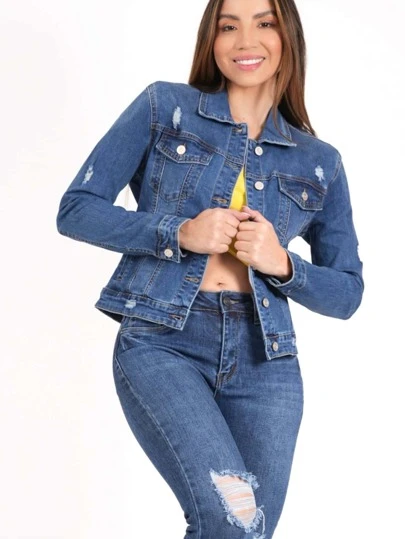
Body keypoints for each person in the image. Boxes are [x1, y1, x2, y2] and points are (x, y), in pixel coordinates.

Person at [56, 0, 364, 537]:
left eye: (264, 23)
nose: (246, 40)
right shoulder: (164, 107)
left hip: (266, 359)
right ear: (211, 39)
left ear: (288, 36)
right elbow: (77, 209)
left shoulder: (320, 162)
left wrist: (282, 263)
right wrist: (178, 232)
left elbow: (347, 293)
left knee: (247, 531)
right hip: (163, 339)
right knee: (231, 516)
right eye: (228, 26)